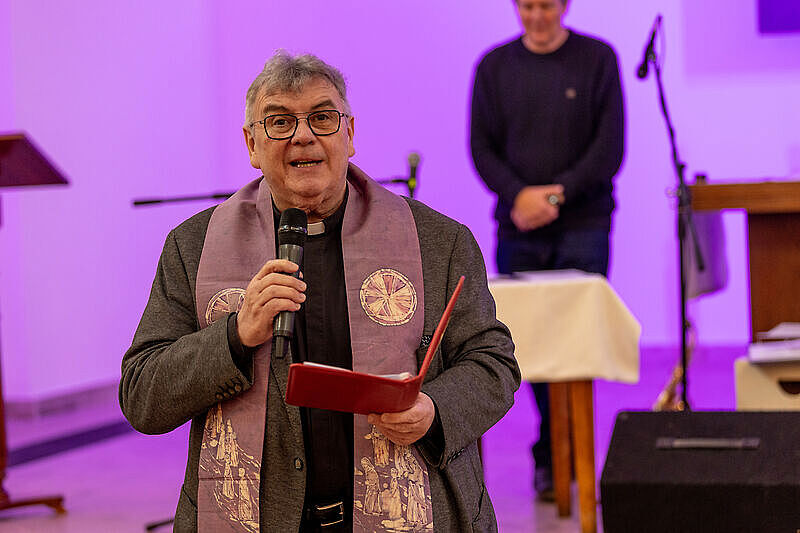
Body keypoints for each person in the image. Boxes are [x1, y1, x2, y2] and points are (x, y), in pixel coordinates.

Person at [120, 50, 520, 532]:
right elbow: (142, 395)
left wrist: (434, 411)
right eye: (279, 122)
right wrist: (234, 335)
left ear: (349, 134)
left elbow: (493, 363)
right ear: (251, 144)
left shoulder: (438, 241)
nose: (303, 135)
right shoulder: (194, 247)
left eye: (322, 118)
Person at [470, 0, 624, 501]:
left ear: (565, 5)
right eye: (527, 6)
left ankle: (562, 453)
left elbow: (609, 147)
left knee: (575, 340)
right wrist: (519, 196)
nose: (537, 16)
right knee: (528, 343)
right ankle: (557, 448)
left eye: (546, 5)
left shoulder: (597, 58)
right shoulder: (494, 67)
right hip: (517, 228)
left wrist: (556, 197)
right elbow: (482, 147)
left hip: (584, 224)